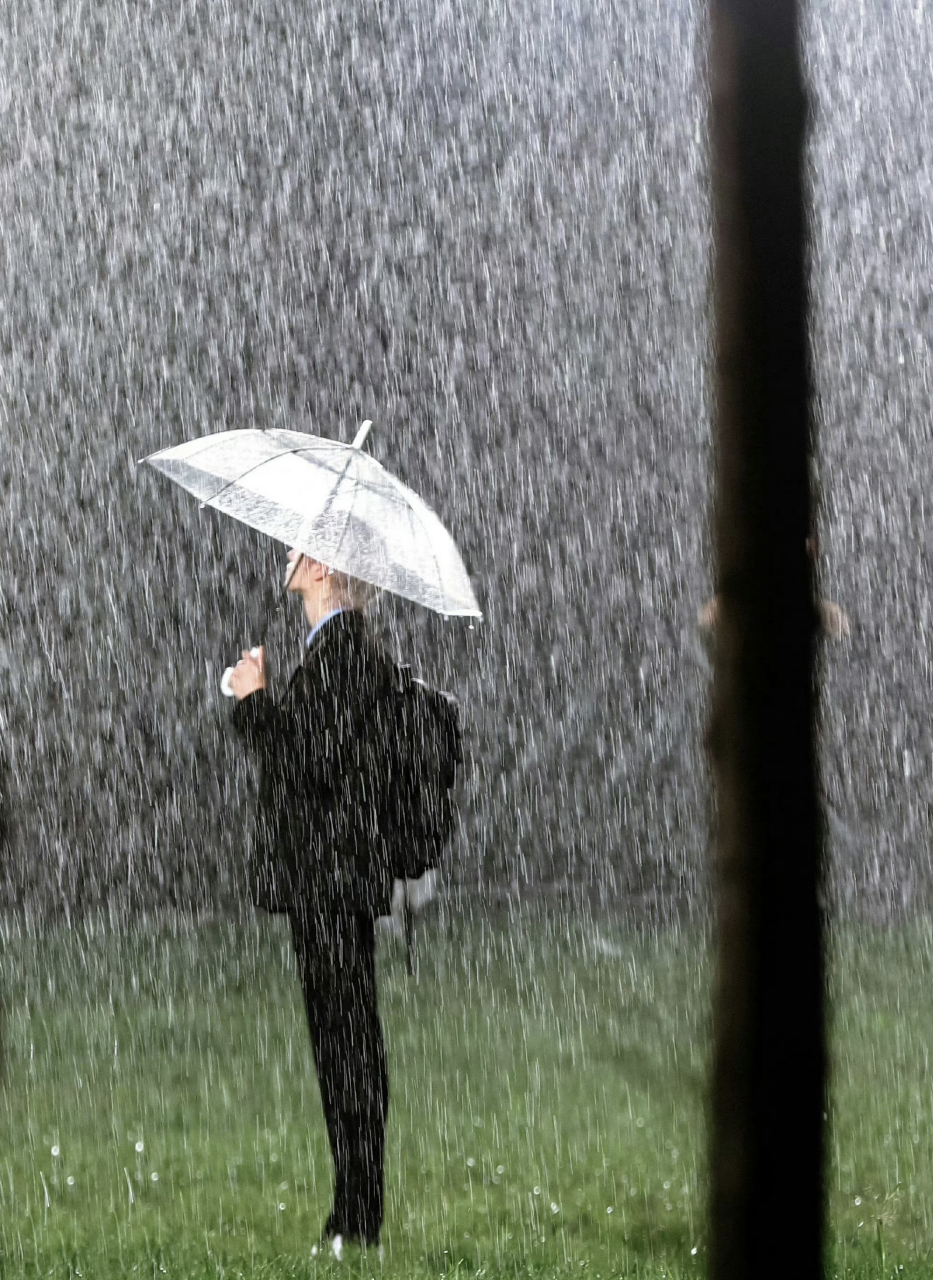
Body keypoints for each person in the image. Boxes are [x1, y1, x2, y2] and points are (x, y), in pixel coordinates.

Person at [227, 549, 398, 1254]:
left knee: (346, 1045)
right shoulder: (337, 652)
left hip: (330, 883)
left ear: (322, 567)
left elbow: (310, 767)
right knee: (342, 1041)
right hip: (329, 881)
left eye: (300, 547)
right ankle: (352, 1212)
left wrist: (253, 704)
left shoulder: (343, 655)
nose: (286, 555)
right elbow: (311, 758)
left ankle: (355, 1217)